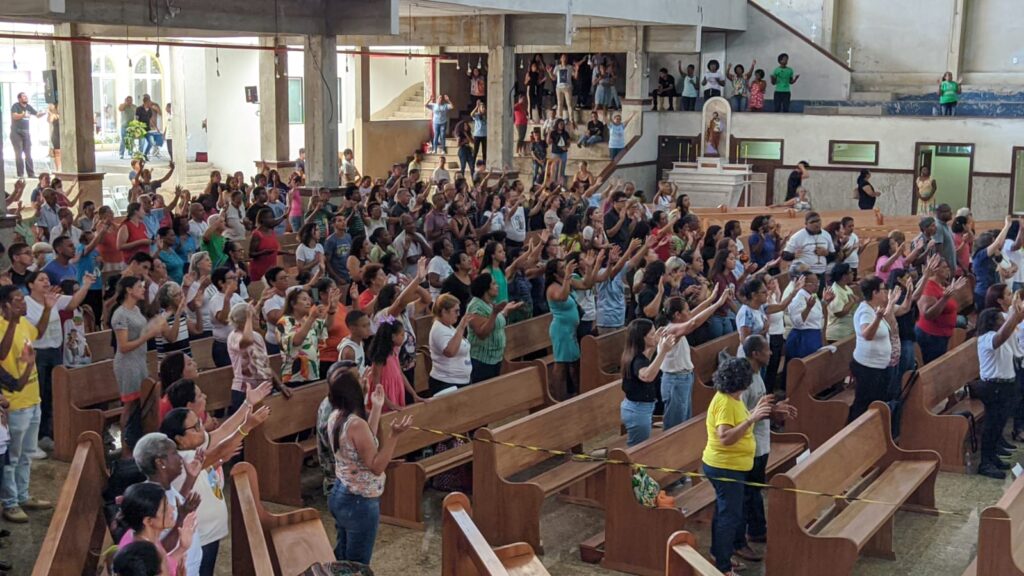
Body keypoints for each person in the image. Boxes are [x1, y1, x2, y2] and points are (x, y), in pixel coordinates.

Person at [160, 391, 270, 576]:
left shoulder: (193, 447)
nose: (201, 429)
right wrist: (246, 427)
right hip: (199, 535)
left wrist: (247, 403)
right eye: (195, 427)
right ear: (179, 439)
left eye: (199, 423)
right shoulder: (181, 459)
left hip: (209, 533)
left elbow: (223, 433)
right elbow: (220, 449)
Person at [326, 368, 412, 563]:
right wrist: (394, 436)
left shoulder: (337, 415)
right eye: (360, 379)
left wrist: (377, 407)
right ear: (353, 391)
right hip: (359, 501)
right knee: (357, 565)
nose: (364, 379)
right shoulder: (356, 424)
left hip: (341, 492)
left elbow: (367, 441)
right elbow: (376, 466)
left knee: (343, 559)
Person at [702, 356, 773, 575]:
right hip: (725, 467)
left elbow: (739, 422)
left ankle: (718, 554)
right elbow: (725, 437)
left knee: (724, 512)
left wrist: (755, 411)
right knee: (729, 516)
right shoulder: (725, 402)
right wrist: (752, 419)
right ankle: (723, 567)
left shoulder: (733, 398)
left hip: (731, 466)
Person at [735, 335, 798, 560]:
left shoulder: (756, 374)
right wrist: (772, 411)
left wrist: (776, 409)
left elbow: (759, 407)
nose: (771, 353)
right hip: (748, 445)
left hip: (761, 442)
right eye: (767, 350)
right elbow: (742, 416)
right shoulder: (743, 381)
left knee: (755, 489)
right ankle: (739, 541)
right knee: (746, 494)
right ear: (755, 354)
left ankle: (757, 530)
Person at [0, 286, 50, 523]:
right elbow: (2, 354)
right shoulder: (3, 325)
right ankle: (10, 503)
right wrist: (11, 321)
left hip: (32, 397)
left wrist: (48, 309)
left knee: (27, 454)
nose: (23, 303)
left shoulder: (23, 323)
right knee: (11, 457)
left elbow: (38, 332)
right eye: (17, 300)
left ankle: (23, 494)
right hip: (14, 402)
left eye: (23, 299)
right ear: (5, 305)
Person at [131, 433, 203, 574]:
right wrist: (181, 518)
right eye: (174, 453)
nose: (180, 458)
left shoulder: (164, 488)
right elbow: (156, 550)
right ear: (160, 462)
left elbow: (176, 505)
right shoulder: (150, 498)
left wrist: (190, 479)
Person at [975, 304, 1024, 478]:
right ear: (991, 322)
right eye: (1000, 319)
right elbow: (1000, 338)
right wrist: (1014, 318)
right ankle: (985, 463)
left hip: (1006, 386)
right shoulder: (986, 338)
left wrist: (1016, 318)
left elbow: (1009, 338)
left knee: (999, 424)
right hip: (993, 387)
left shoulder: (1004, 337)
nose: (1003, 321)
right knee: (991, 425)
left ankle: (993, 457)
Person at [114, 481, 198, 576]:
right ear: (148, 521)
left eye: (168, 503)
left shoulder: (146, 538)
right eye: (164, 510)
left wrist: (182, 547)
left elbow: (164, 564)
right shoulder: (139, 555)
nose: (172, 509)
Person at [846, 276, 898, 423]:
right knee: (863, 405)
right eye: (883, 289)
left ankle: (872, 430)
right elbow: (867, 335)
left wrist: (890, 305)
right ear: (875, 293)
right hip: (867, 367)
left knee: (876, 402)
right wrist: (877, 318)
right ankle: (853, 431)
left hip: (878, 366)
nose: (885, 292)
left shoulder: (875, 309)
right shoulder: (865, 311)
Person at [619, 319, 677, 446]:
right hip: (637, 411)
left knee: (641, 446)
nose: (655, 335)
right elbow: (647, 376)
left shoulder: (637, 354)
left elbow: (649, 359)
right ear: (642, 338)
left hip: (640, 408)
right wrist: (663, 351)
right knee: (638, 449)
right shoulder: (637, 360)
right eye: (651, 334)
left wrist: (656, 343)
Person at [915, 257, 967, 364]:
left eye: (947, 267)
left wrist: (951, 291)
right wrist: (945, 298)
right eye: (944, 267)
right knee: (934, 366)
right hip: (931, 336)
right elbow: (928, 315)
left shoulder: (941, 284)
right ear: (935, 270)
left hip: (941, 335)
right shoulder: (928, 286)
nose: (948, 269)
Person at [280, 286, 336, 385]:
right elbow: (296, 341)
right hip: (294, 377)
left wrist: (331, 310)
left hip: (313, 373)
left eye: (309, 299)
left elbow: (327, 326)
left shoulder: (307, 319)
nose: (308, 302)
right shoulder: (285, 322)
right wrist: (312, 318)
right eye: (304, 299)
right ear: (293, 304)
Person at [466, 273, 512, 383]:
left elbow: (496, 322)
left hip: (496, 358)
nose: (497, 286)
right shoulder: (476, 306)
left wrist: (505, 311)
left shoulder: (489, 303)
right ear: (485, 287)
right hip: (482, 360)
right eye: (494, 284)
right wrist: (495, 313)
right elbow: (482, 333)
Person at [427, 294, 473, 395]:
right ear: (444, 311)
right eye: (455, 311)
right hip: (446, 383)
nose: (458, 314)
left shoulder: (448, 326)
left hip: (460, 381)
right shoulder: (438, 329)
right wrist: (461, 327)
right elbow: (450, 352)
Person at [9, 92, 45, 178]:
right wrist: (23, 114)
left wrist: (44, 112)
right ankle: (20, 174)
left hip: (26, 132)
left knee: (28, 154)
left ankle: (31, 174)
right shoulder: (15, 106)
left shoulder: (28, 107)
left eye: (26, 96)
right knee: (19, 154)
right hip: (16, 133)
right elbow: (14, 116)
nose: (26, 97)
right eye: (24, 96)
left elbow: (37, 115)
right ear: (19, 99)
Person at [826, 263, 858, 342]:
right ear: (844, 276)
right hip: (838, 334)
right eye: (850, 272)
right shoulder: (835, 291)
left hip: (848, 331)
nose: (853, 273)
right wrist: (852, 302)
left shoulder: (846, 287)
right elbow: (839, 313)